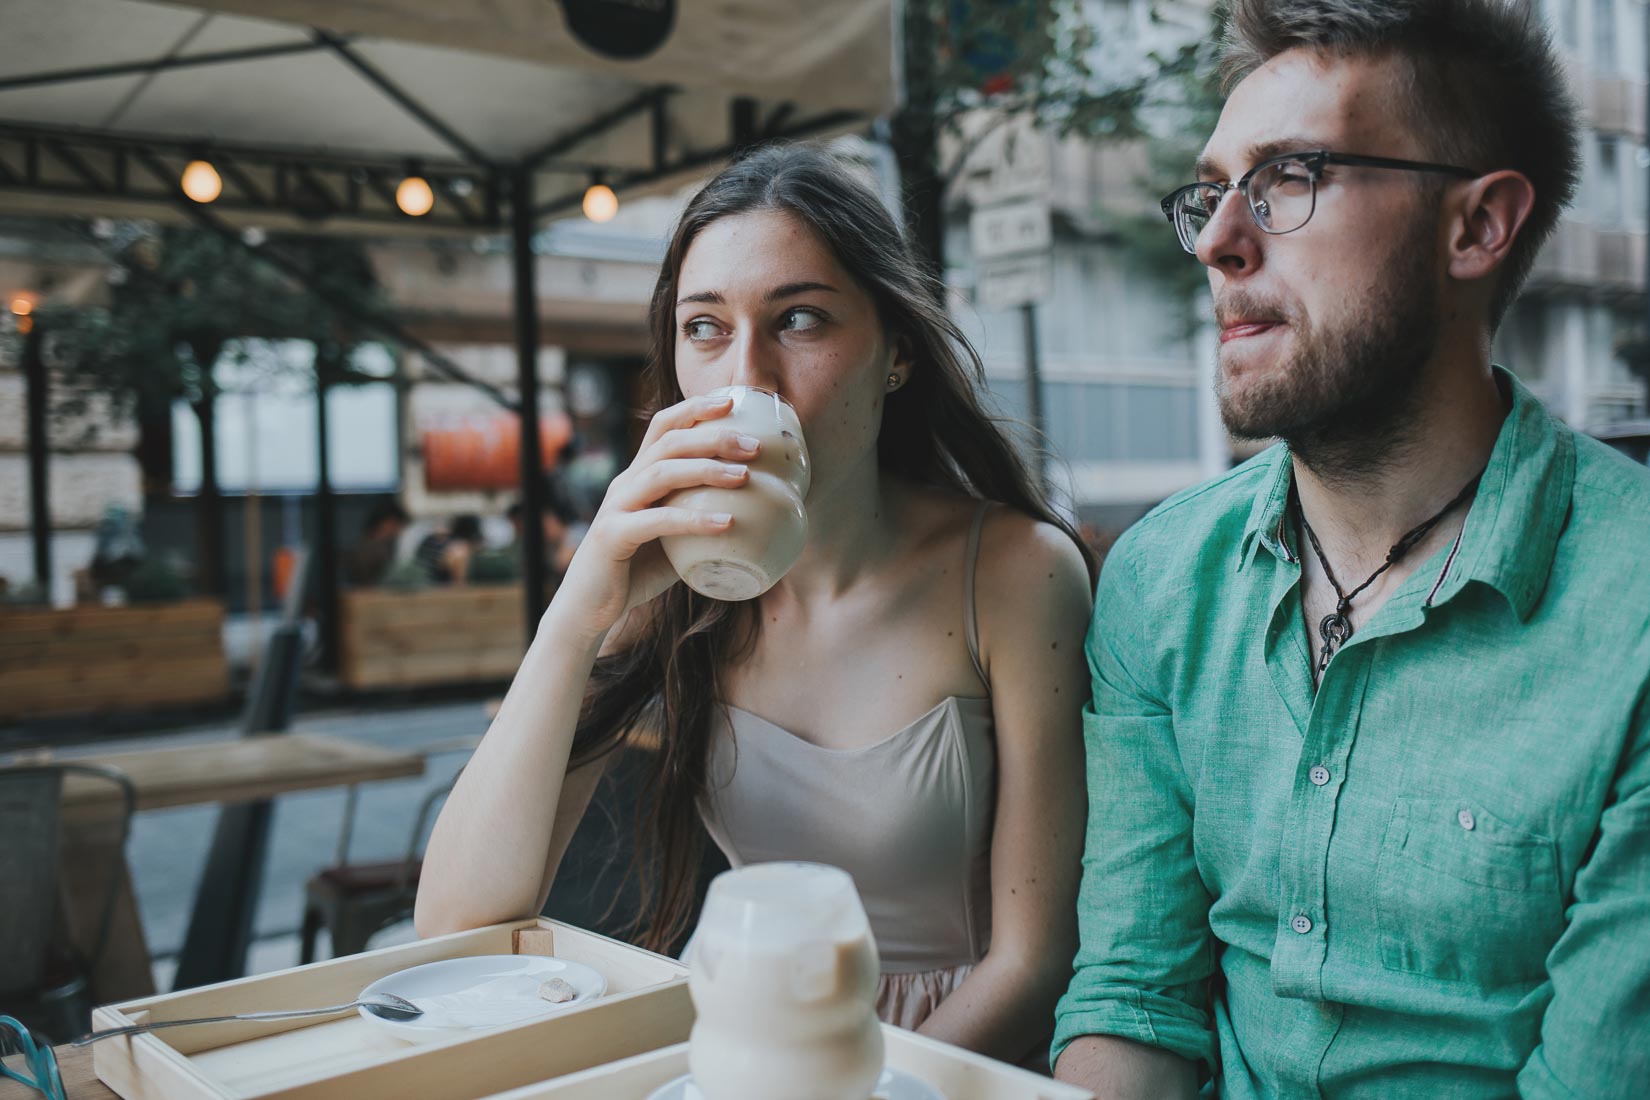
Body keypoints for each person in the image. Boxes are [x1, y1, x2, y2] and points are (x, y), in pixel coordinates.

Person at [1054, 3, 1650, 1098]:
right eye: (1213, 191)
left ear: (1477, 226)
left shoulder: (1634, 609)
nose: (1222, 241)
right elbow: (1135, 997)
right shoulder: (1156, 580)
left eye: (1289, 178)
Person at [416, 144, 1095, 1064]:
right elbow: (457, 922)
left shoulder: (1017, 573)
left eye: (801, 319)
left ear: (896, 353)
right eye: (705, 328)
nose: (748, 380)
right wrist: (580, 611)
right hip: (734, 1052)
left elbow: (1034, 962)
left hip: (944, 1066)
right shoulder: (673, 588)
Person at [343, 498, 410, 587]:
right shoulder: (372, 546)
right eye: (397, 525)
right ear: (386, 523)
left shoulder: (387, 544)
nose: (399, 531)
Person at [413, 513, 484, 585]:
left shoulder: (436, 537)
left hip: (421, 583)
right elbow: (459, 586)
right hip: (431, 588)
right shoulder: (459, 549)